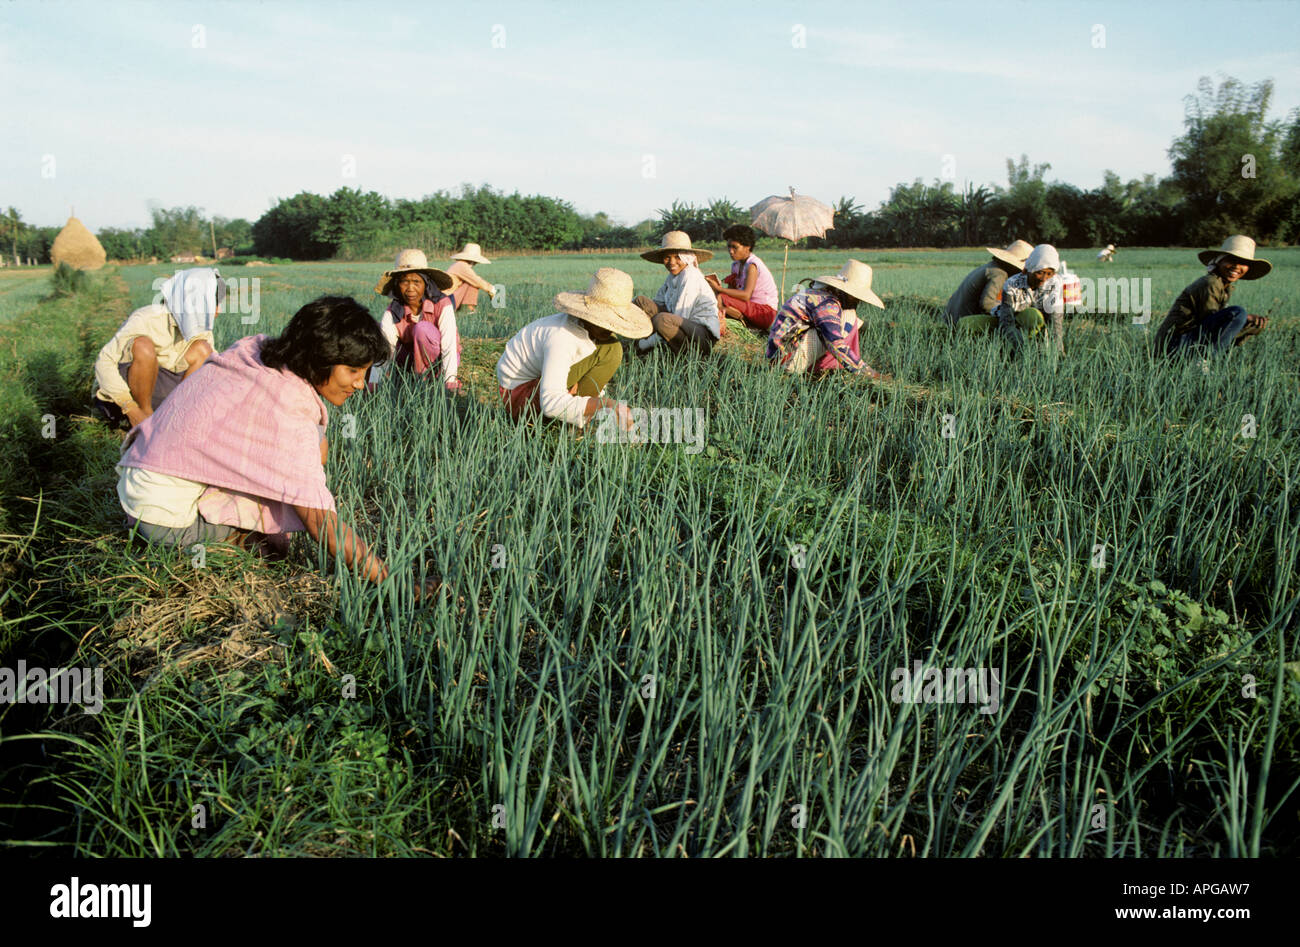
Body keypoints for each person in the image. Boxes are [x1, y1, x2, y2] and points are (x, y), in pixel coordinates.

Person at [115, 296, 434, 594]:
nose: (359, 383)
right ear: (321, 357)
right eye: (352, 370)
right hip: (165, 519)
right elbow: (323, 526)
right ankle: (205, 543)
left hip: (141, 470)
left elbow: (311, 442)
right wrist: (398, 586)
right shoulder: (289, 412)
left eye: (365, 372)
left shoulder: (256, 350)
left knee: (311, 449)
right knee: (272, 543)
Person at [496, 267, 651, 429]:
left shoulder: (589, 333)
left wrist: (596, 400)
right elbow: (550, 404)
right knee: (609, 350)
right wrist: (606, 405)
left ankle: (574, 419)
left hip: (535, 389)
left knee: (611, 348)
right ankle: (562, 424)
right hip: (521, 399)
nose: (610, 328)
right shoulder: (562, 337)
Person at [93, 268, 224, 428]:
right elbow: (104, 362)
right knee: (143, 346)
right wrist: (131, 409)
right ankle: (145, 417)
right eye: (214, 304)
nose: (218, 311)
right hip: (125, 398)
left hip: (162, 393)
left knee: (203, 350)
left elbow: (212, 369)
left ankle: (175, 415)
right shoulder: (147, 318)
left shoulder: (200, 328)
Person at [767, 259, 888, 378]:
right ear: (843, 291)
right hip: (785, 359)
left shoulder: (820, 295)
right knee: (840, 326)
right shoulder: (827, 305)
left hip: (778, 354)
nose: (858, 301)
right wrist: (869, 373)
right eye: (855, 296)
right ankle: (792, 371)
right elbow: (835, 343)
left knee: (849, 317)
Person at [1153, 235, 1271, 357]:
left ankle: (1208, 359)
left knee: (1249, 323)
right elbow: (1212, 324)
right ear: (1219, 261)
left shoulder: (1223, 286)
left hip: (1184, 343)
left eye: (1243, 263)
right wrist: (1245, 317)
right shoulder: (1211, 283)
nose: (1237, 266)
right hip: (1174, 345)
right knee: (1238, 313)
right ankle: (1206, 360)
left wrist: (1249, 326)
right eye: (1231, 260)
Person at [372, 249, 462, 393]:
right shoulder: (393, 312)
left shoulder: (442, 304)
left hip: (438, 359)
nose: (410, 288)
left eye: (416, 282)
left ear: (426, 283)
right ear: (397, 285)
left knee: (422, 329)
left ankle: (426, 380)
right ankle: (407, 377)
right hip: (411, 360)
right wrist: (374, 383)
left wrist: (450, 381)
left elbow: (449, 344)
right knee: (376, 332)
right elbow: (385, 349)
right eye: (404, 282)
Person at [959, 243, 1065, 353]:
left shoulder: (1055, 284)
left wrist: (1059, 353)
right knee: (965, 324)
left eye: (1049, 274)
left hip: (1032, 322)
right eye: (1040, 273)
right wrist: (1023, 350)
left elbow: (1055, 322)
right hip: (1008, 321)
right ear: (1027, 270)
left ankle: (1034, 346)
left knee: (1033, 315)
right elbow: (1007, 323)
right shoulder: (1011, 284)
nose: (1044, 278)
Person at [632, 231, 720, 356]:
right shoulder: (672, 277)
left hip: (700, 333)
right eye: (667, 257)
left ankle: (687, 353)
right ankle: (641, 337)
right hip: (678, 321)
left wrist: (646, 343)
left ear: (686, 257)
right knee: (640, 301)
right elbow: (658, 302)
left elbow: (681, 316)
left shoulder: (690, 276)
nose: (672, 262)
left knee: (661, 320)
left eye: (677, 257)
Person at [705, 224, 780, 333]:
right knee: (716, 298)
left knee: (720, 298)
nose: (731, 251)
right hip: (749, 307)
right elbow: (732, 292)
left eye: (735, 247)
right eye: (729, 247)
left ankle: (748, 325)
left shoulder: (752, 266)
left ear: (747, 246)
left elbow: (745, 295)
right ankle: (741, 324)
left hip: (764, 312)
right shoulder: (736, 265)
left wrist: (719, 289)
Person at [943, 240, 1033, 326]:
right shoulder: (999, 274)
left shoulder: (992, 267)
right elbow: (987, 304)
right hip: (961, 321)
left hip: (953, 316)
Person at [446, 242, 496, 313]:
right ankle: (468, 310)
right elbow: (476, 281)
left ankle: (466, 309)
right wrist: (491, 289)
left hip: (447, 300)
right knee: (472, 283)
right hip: (447, 302)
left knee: (470, 282)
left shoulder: (459, 265)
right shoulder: (462, 266)